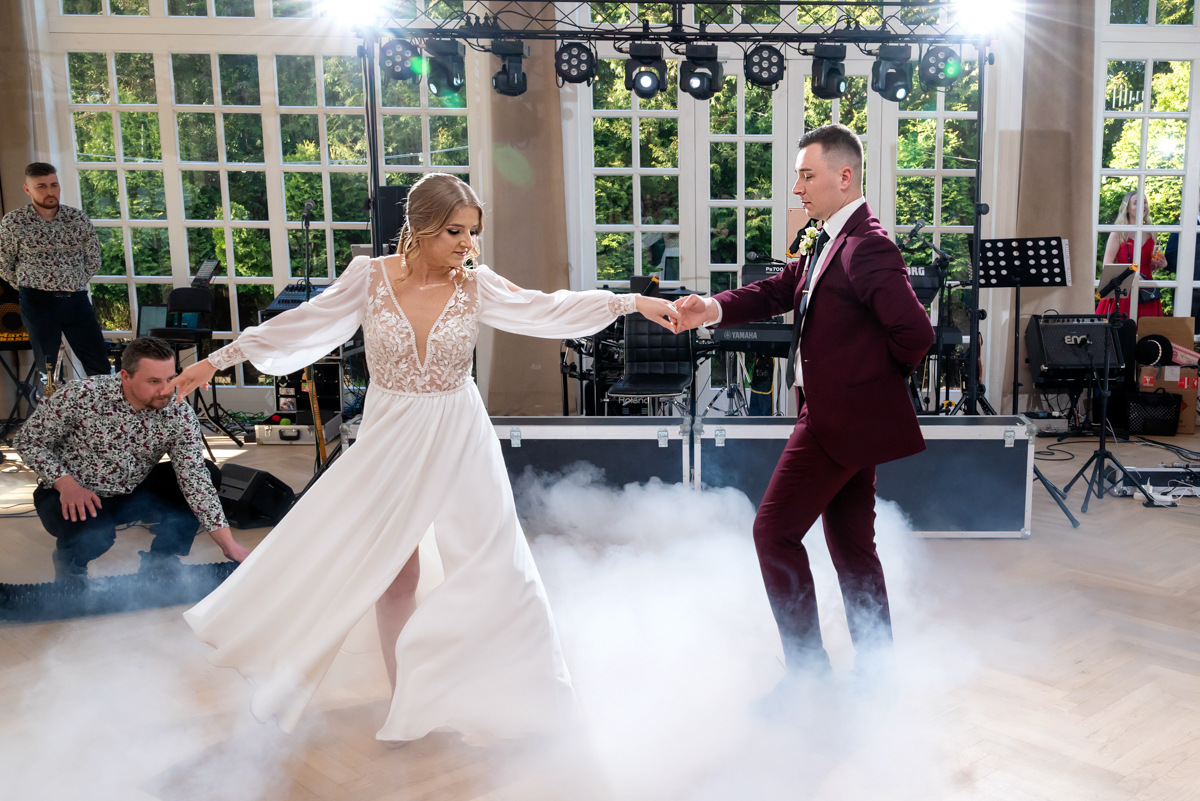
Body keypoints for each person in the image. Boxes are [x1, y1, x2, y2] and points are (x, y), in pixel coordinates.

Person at [168, 173, 679, 742]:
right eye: (455, 231)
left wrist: (632, 302)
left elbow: (545, 309)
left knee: (496, 565)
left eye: (474, 231)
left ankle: (527, 699)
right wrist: (216, 361)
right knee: (395, 575)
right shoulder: (369, 277)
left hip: (460, 432)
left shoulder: (477, 285)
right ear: (421, 227)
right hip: (392, 435)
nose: (468, 243)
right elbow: (304, 322)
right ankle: (405, 702)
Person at [674, 124, 934, 680]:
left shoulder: (868, 246)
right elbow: (777, 290)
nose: (797, 187)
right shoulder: (830, 236)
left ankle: (809, 676)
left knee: (773, 533)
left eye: (807, 175)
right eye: (798, 176)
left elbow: (916, 334)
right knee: (853, 549)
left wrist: (863, 388)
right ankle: (878, 673)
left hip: (835, 419)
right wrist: (710, 308)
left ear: (844, 176)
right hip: (843, 417)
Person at [14, 337, 248, 582]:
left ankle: (161, 561)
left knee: (207, 472)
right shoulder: (81, 395)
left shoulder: (178, 413)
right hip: (69, 495)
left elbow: (195, 480)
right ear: (126, 377)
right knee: (95, 535)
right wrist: (66, 484)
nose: (165, 389)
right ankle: (71, 566)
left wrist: (229, 546)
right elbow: (28, 441)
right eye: (153, 381)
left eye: (170, 379)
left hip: (131, 494)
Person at [0, 163, 112, 378]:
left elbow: (93, 258)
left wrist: (73, 279)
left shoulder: (78, 218)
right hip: (37, 301)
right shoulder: (14, 221)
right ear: (27, 190)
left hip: (76, 299)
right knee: (49, 369)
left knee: (99, 365)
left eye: (54, 185)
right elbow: (4, 264)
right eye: (41, 186)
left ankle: (103, 401)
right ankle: (54, 401)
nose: (50, 191)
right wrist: (28, 283)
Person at [1097, 190, 1167, 318]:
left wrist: (1161, 264)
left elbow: (1148, 264)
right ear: (1127, 209)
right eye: (1136, 203)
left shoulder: (1152, 232)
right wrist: (1131, 276)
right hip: (1124, 288)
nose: (1143, 206)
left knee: (1147, 328)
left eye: (1144, 202)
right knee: (1122, 327)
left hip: (1146, 289)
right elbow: (1107, 264)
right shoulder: (1118, 232)